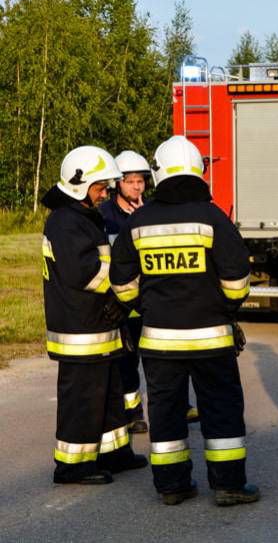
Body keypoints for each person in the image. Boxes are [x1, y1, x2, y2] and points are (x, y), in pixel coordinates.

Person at [110, 135, 259, 506]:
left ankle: (172, 487)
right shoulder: (212, 217)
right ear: (198, 171)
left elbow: (121, 283)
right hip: (212, 339)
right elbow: (238, 275)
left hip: (159, 341)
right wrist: (227, 307)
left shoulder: (139, 221)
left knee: (166, 413)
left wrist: (145, 308)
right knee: (221, 410)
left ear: (158, 174)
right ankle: (229, 486)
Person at [41, 145, 147, 485]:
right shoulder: (65, 221)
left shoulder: (82, 216)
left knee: (110, 392)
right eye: (99, 187)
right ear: (78, 184)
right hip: (80, 329)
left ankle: (114, 454)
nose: (104, 194)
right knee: (83, 400)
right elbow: (84, 272)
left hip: (99, 324)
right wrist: (124, 280)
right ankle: (73, 467)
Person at [100, 151, 199, 434]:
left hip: (155, 300)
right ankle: (133, 413)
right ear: (117, 184)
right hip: (125, 301)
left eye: (141, 181)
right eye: (130, 181)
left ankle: (180, 405)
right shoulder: (105, 216)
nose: (137, 187)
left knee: (168, 359)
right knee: (127, 363)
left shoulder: (154, 212)